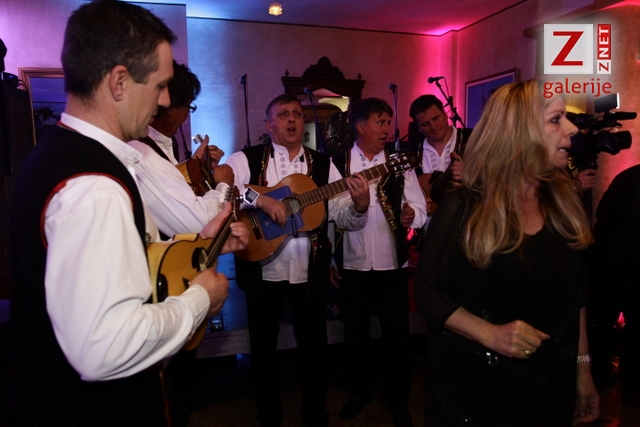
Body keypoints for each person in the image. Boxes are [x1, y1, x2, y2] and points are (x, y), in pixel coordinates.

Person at [8, 1, 247, 425]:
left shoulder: (55, 151)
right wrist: (199, 300)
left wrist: (204, 242)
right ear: (119, 81)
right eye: (160, 85)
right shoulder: (95, 186)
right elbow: (104, 348)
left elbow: (116, 267)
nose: (165, 100)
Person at [414, 80, 600, 426]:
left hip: (551, 385)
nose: (572, 128)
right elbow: (428, 294)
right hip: (479, 389)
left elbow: (574, 297)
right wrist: (491, 334)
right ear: (519, 132)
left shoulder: (563, 204)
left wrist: (582, 368)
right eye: (556, 119)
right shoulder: (462, 207)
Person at [225, 94, 371, 427]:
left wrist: (360, 205)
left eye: (297, 113)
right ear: (269, 124)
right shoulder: (245, 158)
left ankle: (315, 414)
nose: (292, 119)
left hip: (309, 274)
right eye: (283, 114)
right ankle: (269, 418)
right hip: (263, 270)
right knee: (263, 352)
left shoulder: (323, 165)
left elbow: (342, 215)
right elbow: (225, 188)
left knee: (315, 350)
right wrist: (261, 200)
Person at [332, 98, 427, 427]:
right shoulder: (338, 164)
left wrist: (412, 215)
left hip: (391, 263)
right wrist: (358, 207)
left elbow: (419, 205)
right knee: (355, 333)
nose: (387, 129)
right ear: (361, 127)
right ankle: (359, 393)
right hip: (353, 262)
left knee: (396, 336)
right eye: (380, 122)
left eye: (388, 122)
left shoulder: (399, 162)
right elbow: (335, 214)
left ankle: (399, 400)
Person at [128, 60, 233, 239]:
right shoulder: (141, 153)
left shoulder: (161, 144)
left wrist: (195, 166)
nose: (187, 115)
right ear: (169, 106)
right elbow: (198, 225)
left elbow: (173, 183)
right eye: (189, 107)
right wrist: (224, 185)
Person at [588, 164, 640, 405]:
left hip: (606, 263)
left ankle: (597, 377)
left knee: (601, 328)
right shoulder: (629, 177)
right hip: (629, 268)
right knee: (634, 331)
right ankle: (630, 386)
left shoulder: (626, 176)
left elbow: (601, 212)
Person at [408, 95, 470, 219]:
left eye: (436, 118)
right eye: (425, 124)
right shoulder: (412, 153)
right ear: (418, 128)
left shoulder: (472, 138)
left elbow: (495, 177)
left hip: (467, 219)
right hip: (429, 225)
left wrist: (470, 173)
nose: (433, 126)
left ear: (445, 114)